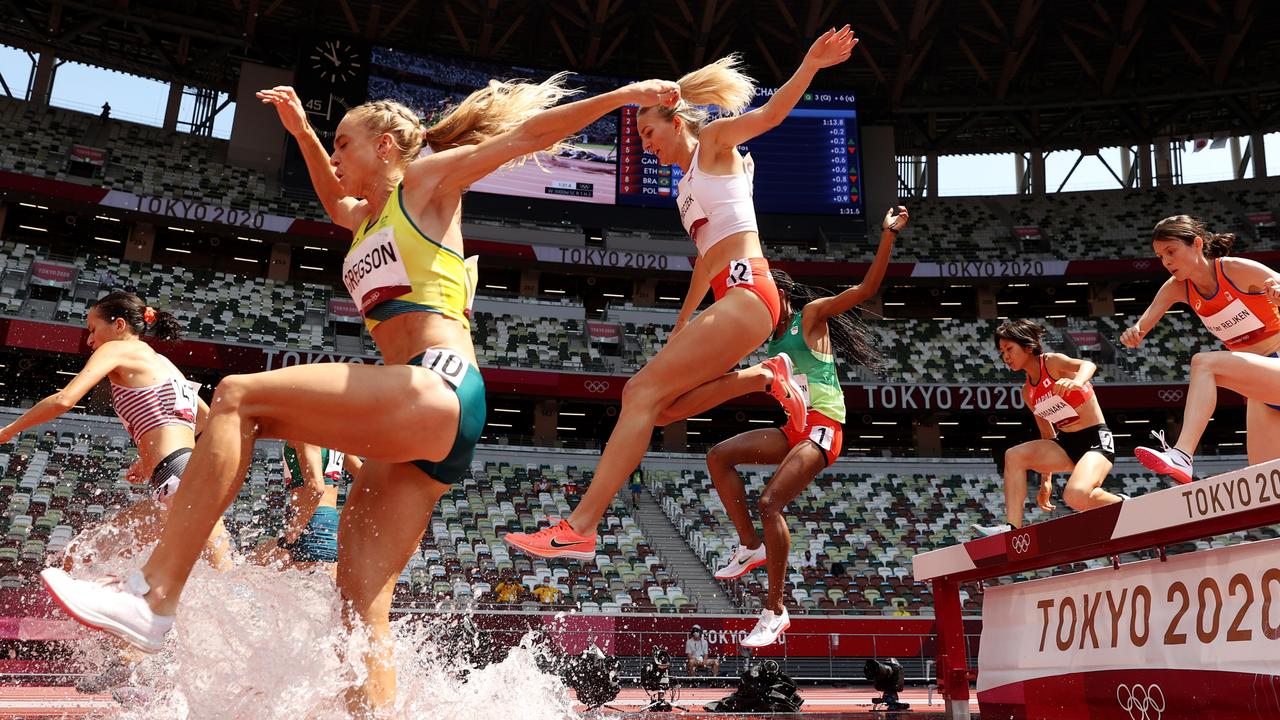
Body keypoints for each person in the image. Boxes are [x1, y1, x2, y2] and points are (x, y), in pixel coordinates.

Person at [40, 75, 681, 716]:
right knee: (361, 606)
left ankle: (155, 596)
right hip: (424, 423)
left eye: (344, 144)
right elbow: (330, 194)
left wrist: (622, 99)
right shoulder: (363, 217)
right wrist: (302, 134)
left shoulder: (427, 184)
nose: (337, 156)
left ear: (385, 144)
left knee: (238, 396)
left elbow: (530, 135)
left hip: (439, 383)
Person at [505, 26, 858, 560]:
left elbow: (769, 118)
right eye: (641, 138)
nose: (645, 145)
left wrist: (810, 63)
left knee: (637, 395)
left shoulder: (715, 146)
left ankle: (581, 526)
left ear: (677, 121)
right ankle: (764, 376)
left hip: (750, 291)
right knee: (660, 409)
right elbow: (708, 260)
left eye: (649, 133)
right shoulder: (683, 189)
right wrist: (684, 317)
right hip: (729, 297)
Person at [0, 292, 231, 694]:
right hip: (179, 473)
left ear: (119, 326)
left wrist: (5, 432)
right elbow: (205, 420)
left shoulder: (118, 351)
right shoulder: (165, 365)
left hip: (180, 474)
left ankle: (231, 664)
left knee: (222, 576)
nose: (90, 340)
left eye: (93, 329)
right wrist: (150, 455)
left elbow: (65, 399)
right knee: (124, 553)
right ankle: (128, 659)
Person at [1123, 215, 1280, 483]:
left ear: (1196, 244)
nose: (1167, 262)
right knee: (1265, 483)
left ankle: (1182, 455)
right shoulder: (1177, 288)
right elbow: (1142, 324)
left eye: (1171, 251)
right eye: (1161, 256)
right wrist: (1133, 333)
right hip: (1260, 385)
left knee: (1204, 363)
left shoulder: (1236, 270)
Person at [972, 320, 1125, 536]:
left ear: (1027, 346)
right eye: (1002, 352)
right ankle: (1011, 528)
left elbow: (1088, 365)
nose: (1005, 356)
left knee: (1075, 496)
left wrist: (1078, 382)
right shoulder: (1028, 392)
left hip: (1095, 441)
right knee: (1014, 455)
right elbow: (1047, 435)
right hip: (1065, 445)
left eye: (1009, 349)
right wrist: (1046, 481)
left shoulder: (1052, 363)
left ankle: (1125, 505)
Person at [251, 441, 363, 574]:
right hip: (328, 523)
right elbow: (364, 474)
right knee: (255, 563)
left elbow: (315, 489)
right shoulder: (335, 438)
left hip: (310, 522)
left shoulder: (304, 436)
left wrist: (288, 540)